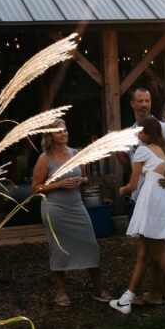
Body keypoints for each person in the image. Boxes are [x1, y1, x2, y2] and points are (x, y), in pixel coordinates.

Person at [110, 116, 165, 317]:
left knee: (159, 255)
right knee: (143, 254)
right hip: (159, 201)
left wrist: (121, 190)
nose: (138, 135)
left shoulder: (142, 150)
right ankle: (127, 299)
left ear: (148, 133)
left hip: (150, 202)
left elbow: (132, 185)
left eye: (141, 132)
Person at [32, 120, 111, 306]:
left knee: (90, 245)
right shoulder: (44, 159)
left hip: (77, 206)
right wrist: (59, 184)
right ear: (50, 135)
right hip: (55, 209)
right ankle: (61, 291)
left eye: (65, 130)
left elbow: (85, 178)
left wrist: (81, 181)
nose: (63, 133)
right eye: (59, 131)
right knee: (58, 249)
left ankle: (98, 289)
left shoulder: (75, 153)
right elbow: (35, 188)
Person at [117, 87, 165, 304]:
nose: (144, 104)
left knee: (155, 246)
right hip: (141, 195)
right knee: (151, 247)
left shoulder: (162, 128)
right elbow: (130, 165)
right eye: (140, 101)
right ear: (132, 104)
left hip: (159, 194)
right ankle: (162, 290)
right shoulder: (132, 133)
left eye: (147, 100)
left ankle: (162, 291)